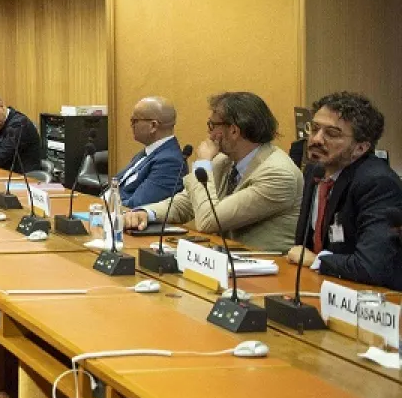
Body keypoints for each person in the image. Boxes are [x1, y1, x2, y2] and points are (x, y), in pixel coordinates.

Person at [123, 91, 301, 252]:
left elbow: (209, 221)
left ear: (233, 130)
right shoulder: (224, 161)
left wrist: (202, 164)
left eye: (212, 126)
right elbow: (186, 202)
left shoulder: (278, 174)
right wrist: (145, 213)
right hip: (226, 259)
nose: (209, 134)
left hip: (268, 267)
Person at [285, 92, 402, 288]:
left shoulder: (377, 183)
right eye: (314, 129)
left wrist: (317, 260)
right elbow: (303, 248)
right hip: (320, 285)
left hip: (369, 296)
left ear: (360, 148)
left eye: (331, 134)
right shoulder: (315, 171)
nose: (316, 139)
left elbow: (371, 266)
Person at [115, 96, 184, 207]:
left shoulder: (170, 162)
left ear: (153, 126)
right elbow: (117, 186)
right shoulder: (148, 152)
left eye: (134, 121)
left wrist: (104, 205)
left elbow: (137, 205)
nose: (131, 125)